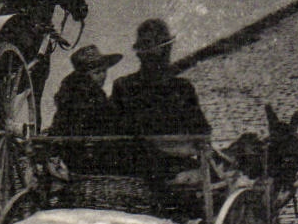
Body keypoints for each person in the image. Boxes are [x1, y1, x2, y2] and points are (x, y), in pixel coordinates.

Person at [112, 19, 211, 176]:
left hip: (133, 169)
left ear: (138, 54)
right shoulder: (182, 87)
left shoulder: (122, 85)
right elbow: (202, 132)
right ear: (168, 52)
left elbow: (116, 133)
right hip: (174, 168)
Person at [49, 44, 125, 173]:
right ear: (84, 76)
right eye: (96, 72)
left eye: (104, 71)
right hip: (87, 153)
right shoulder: (89, 96)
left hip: (76, 151)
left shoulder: (69, 93)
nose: (102, 76)